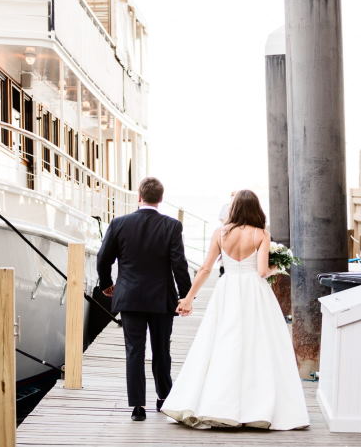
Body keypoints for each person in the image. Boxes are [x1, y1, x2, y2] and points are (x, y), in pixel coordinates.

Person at [161, 189, 309, 430]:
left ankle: (216, 404)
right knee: (258, 345)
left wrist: (188, 298)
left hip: (227, 290)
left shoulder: (220, 233)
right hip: (255, 292)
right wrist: (277, 268)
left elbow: (206, 269)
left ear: (234, 209)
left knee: (221, 343)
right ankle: (256, 407)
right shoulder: (261, 234)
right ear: (256, 209)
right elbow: (261, 271)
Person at [97, 177, 192, 422]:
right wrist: (186, 295)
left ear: (139, 197)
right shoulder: (172, 226)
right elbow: (179, 264)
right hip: (161, 299)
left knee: (134, 351)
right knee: (162, 349)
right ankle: (163, 398)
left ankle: (138, 407)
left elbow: (102, 258)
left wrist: (107, 284)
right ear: (160, 199)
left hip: (129, 297)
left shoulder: (119, 223)